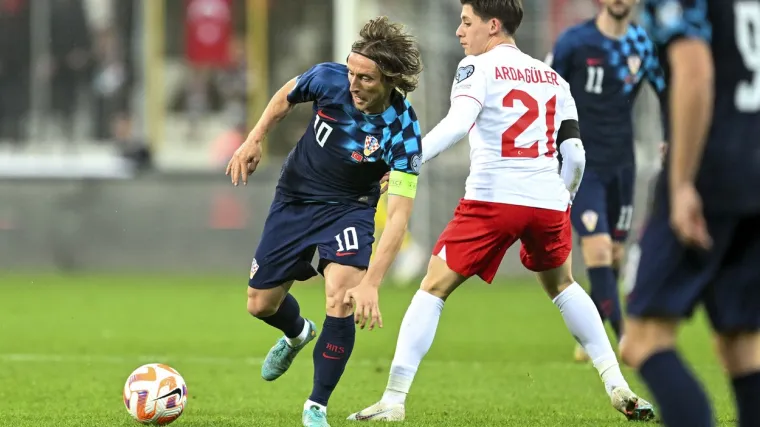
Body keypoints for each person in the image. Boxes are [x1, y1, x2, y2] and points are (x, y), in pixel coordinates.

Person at [346, 0, 654, 422]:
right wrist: (563, 200)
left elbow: (457, 124)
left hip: (493, 199)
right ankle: (616, 382)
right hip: (547, 201)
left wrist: (407, 161)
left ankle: (394, 399)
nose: (459, 31)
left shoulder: (477, 67)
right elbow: (575, 155)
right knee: (564, 286)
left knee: (432, 288)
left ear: (493, 26)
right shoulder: (554, 79)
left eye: (466, 22)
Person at [225, 16, 423, 427]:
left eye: (365, 78)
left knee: (341, 296)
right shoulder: (328, 79)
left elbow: (398, 217)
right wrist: (254, 138)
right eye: (351, 73)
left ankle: (316, 406)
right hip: (295, 199)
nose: (354, 84)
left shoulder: (404, 131)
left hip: (349, 208)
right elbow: (286, 95)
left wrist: (372, 282)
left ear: (389, 80)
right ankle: (298, 332)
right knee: (260, 304)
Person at [620, 1, 760, 426]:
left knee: (643, 339)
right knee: (743, 345)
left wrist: (682, 181)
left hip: (710, 173)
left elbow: (695, 69)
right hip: (753, 167)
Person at [546, 0, 666, 362]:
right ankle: (625, 338)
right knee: (597, 248)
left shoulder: (642, 45)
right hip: (583, 164)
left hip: (622, 165)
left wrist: (671, 135)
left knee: (614, 254)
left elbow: (667, 90)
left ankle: (591, 330)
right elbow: (548, 91)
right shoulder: (574, 42)